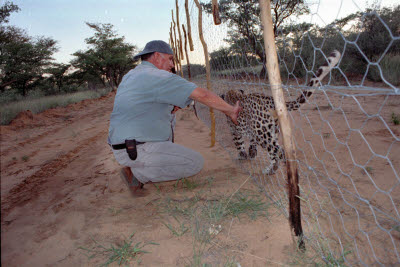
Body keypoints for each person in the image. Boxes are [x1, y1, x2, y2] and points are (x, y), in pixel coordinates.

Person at [108, 40, 241, 195]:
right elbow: (203, 95)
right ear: (157, 56)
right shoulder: (157, 75)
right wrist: (230, 111)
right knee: (194, 163)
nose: (172, 65)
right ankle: (136, 175)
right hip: (136, 149)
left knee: (170, 113)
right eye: (170, 59)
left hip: (123, 146)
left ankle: (141, 164)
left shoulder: (132, 74)